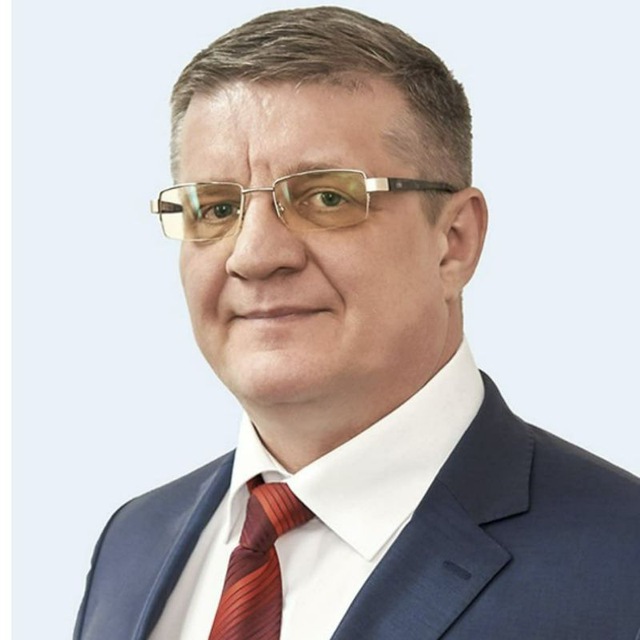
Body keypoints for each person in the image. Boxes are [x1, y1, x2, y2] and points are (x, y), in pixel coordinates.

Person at [73, 7, 640, 639]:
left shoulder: (624, 563)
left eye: (326, 198)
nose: (254, 255)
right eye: (216, 208)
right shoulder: (134, 542)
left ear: (453, 242)